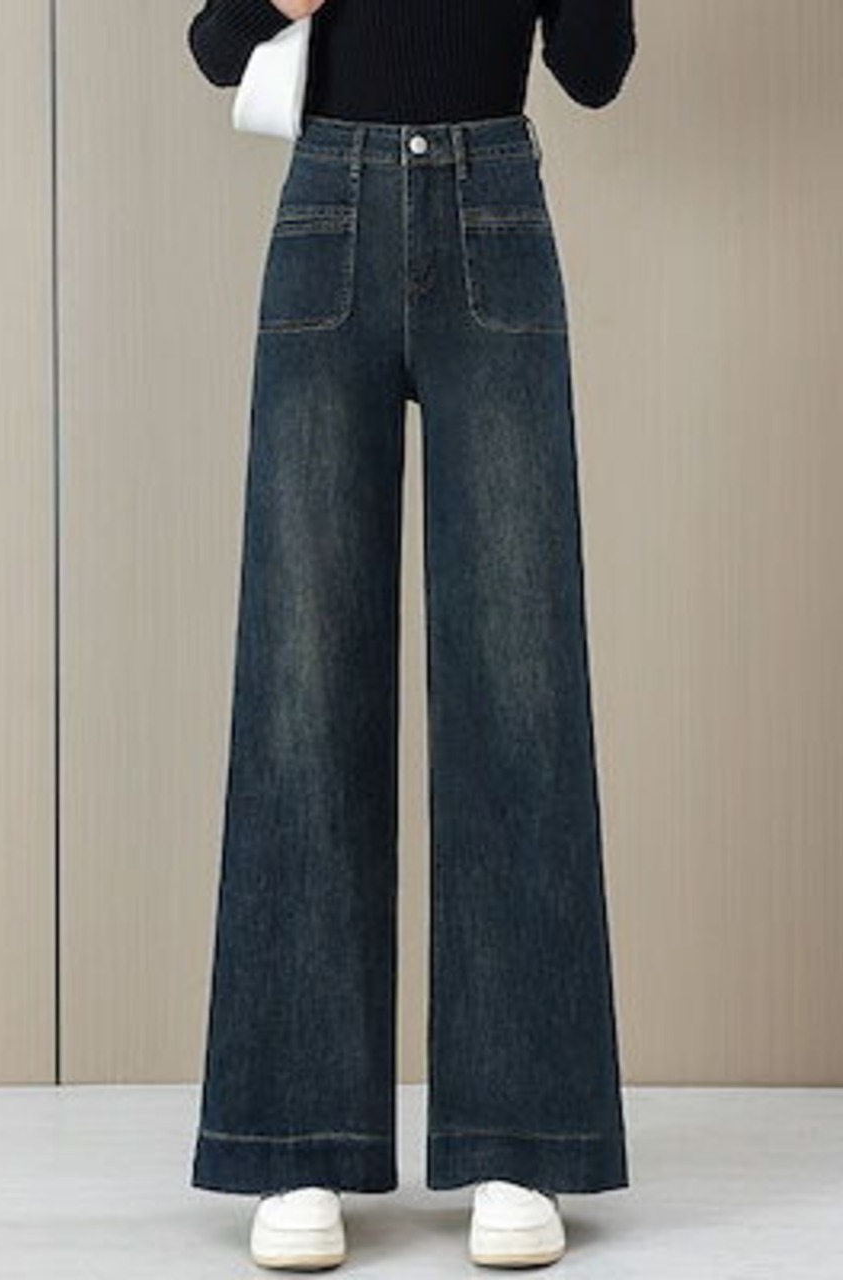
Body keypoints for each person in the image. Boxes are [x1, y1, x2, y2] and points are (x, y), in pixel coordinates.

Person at [185, 0, 638, 1269]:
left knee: (518, 682)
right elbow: (215, 46)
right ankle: (296, 1138)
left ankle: (519, 1138)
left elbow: (594, 67)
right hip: (324, 206)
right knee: (301, 684)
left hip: (495, 204)